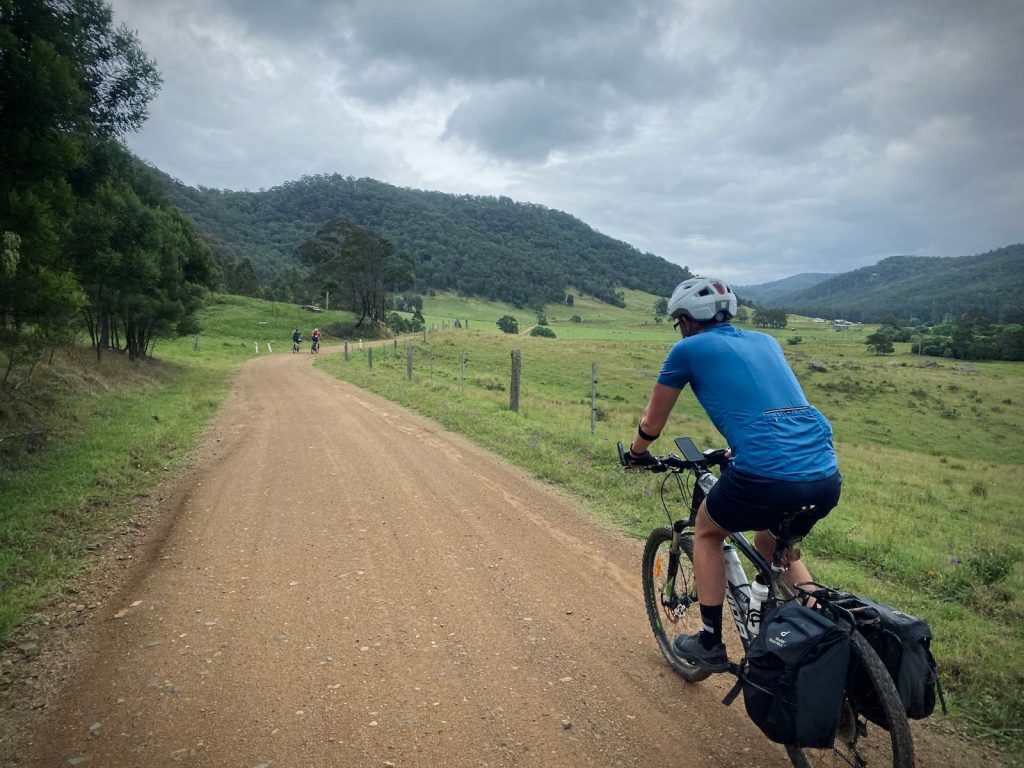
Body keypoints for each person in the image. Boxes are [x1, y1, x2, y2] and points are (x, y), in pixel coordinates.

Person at [624, 276, 841, 673]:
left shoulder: (687, 350)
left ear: (687, 320)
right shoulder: (766, 342)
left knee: (707, 529)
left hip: (766, 472)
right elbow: (769, 407)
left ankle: (709, 641)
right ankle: (831, 632)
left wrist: (637, 454)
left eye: (679, 322)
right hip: (824, 472)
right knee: (773, 544)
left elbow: (653, 421)